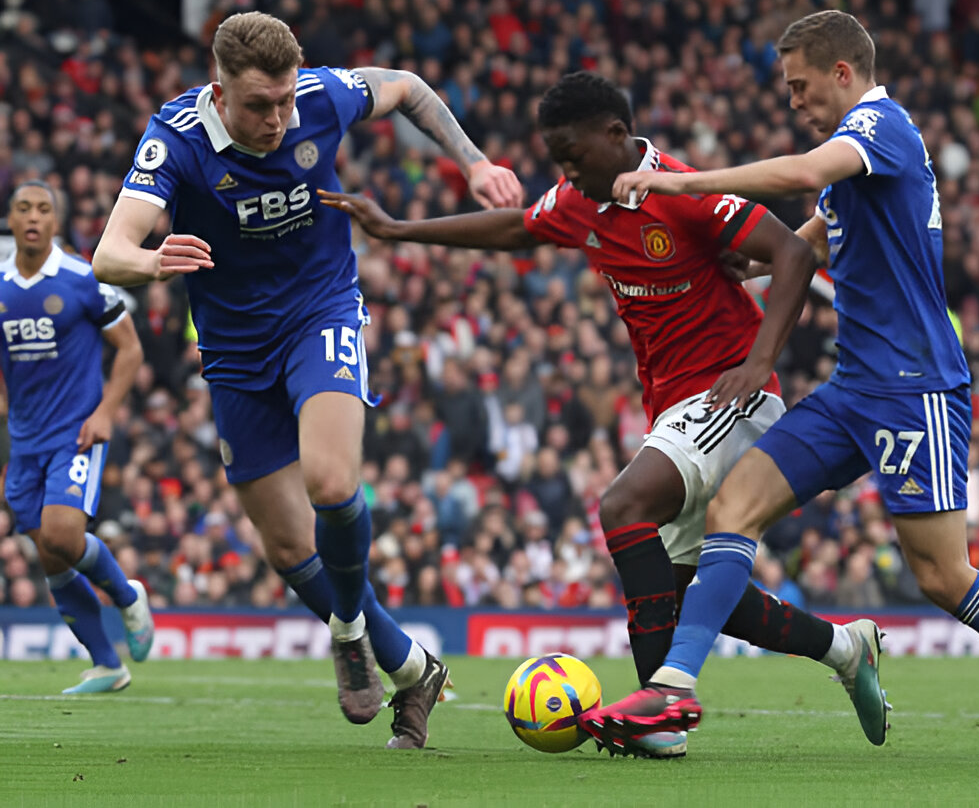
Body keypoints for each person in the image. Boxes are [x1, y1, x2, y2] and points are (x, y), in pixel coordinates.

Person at [582, 11, 979, 763]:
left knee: (943, 576)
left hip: (916, 390)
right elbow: (806, 238)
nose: (792, 100)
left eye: (801, 85)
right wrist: (728, 266)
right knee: (733, 506)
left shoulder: (882, 128)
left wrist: (682, 184)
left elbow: (806, 174)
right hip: (853, 391)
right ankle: (674, 685)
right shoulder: (856, 167)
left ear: (844, 73)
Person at [320, 71, 889, 759]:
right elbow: (517, 228)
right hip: (673, 409)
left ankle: (657, 713)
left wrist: (762, 359)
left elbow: (793, 251)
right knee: (682, 590)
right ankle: (843, 647)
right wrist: (401, 229)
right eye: (557, 158)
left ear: (616, 137)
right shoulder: (579, 201)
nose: (565, 171)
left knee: (623, 505)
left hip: (729, 397)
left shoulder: (682, 194)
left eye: (573, 154)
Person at [92, 11, 521, 747]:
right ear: (219, 92)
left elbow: (409, 87)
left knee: (330, 482)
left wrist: (473, 161)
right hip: (233, 351)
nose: (279, 119)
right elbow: (109, 252)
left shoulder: (321, 97)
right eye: (260, 105)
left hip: (320, 313)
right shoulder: (176, 140)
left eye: (286, 101)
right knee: (290, 549)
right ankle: (413, 668)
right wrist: (153, 260)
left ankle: (350, 628)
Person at [0, 180, 154, 693]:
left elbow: (129, 349)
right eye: (23, 208)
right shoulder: (0, 285)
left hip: (77, 433)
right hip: (24, 440)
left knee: (64, 536)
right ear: (11, 218)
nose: (33, 217)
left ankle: (127, 597)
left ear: (56, 221)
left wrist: (107, 411)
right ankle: (108, 665)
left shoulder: (82, 278)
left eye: (43, 208)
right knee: (49, 554)